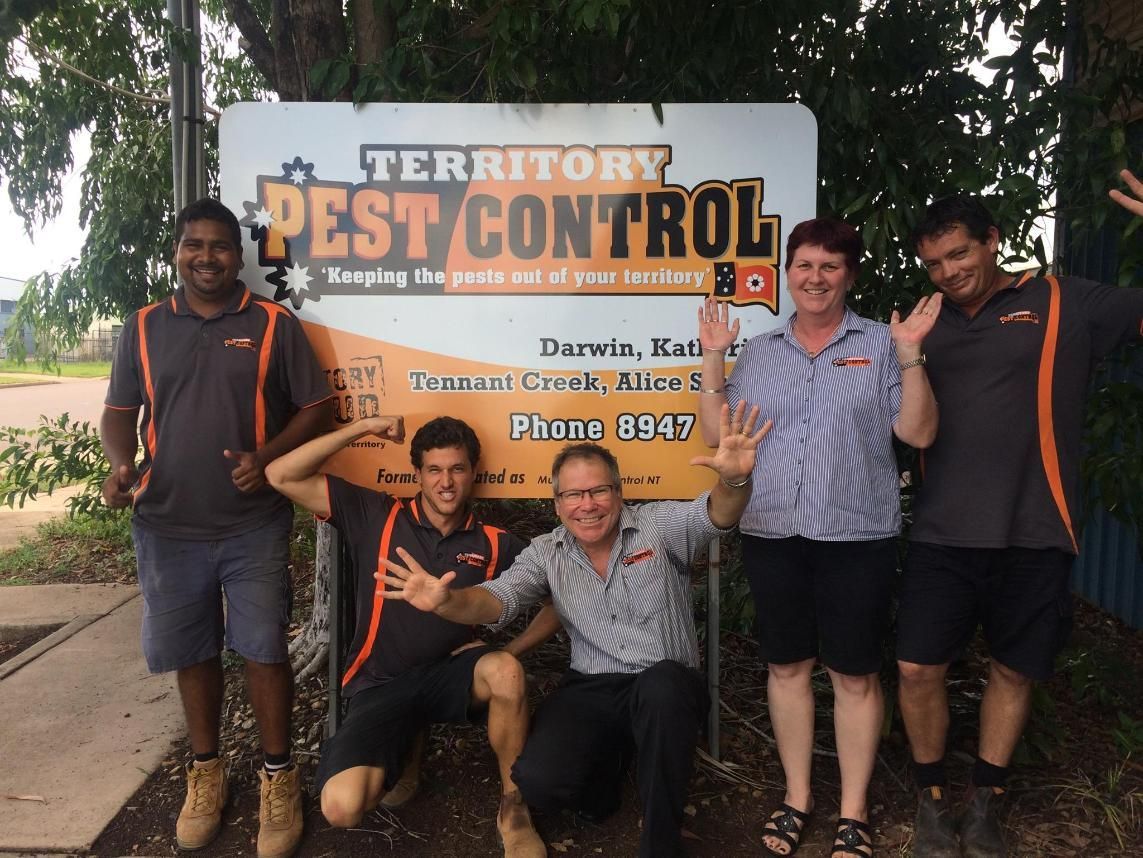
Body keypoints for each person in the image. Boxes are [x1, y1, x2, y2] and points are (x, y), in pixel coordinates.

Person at [375, 402, 770, 858]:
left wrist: (735, 479)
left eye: (598, 491)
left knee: (662, 689)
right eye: (572, 495)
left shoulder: (658, 526)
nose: (587, 505)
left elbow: (719, 512)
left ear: (619, 494)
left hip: (665, 682)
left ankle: (660, 842)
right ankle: (609, 782)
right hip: (593, 686)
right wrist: (448, 601)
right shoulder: (547, 552)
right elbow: (495, 599)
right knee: (539, 781)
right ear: (557, 503)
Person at [897, 185, 1143, 858]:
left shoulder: (1065, 303)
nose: (947, 273)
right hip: (942, 533)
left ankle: (985, 804)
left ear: (992, 239)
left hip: (1035, 529)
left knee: (1012, 671)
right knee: (917, 669)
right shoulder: (922, 323)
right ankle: (930, 799)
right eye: (934, 263)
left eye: (957, 254)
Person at [696, 218, 939, 857]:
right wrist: (714, 355)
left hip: (856, 535)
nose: (815, 277)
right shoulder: (762, 350)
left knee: (854, 674)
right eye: (804, 265)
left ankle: (853, 812)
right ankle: (797, 795)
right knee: (787, 666)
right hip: (774, 530)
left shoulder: (882, 345)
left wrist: (911, 351)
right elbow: (714, 436)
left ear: (849, 276)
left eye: (830, 266)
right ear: (787, 272)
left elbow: (917, 433)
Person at [100, 198, 332, 857]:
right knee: (194, 651)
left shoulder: (271, 324)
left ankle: (278, 779)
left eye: (219, 246)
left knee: (263, 649)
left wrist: (268, 459)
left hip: (251, 525)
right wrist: (121, 466)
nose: (206, 257)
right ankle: (206, 773)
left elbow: (316, 406)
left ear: (238, 255)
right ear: (175, 253)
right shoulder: (143, 327)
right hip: (166, 523)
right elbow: (119, 413)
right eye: (193, 245)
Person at [264, 415, 559, 857]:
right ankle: (407, 746)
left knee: (507, 672)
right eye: (435, 470)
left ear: (473, 472)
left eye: (457, 469)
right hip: (381, 683)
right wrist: (362, 426)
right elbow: (279, 473)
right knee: (341, 808)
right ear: (417, 473)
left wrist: (510, 648)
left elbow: (564, 594)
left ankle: (514, 808)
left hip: (451, 675)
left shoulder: (494, 543)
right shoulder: (377, 514)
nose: (446, 482)